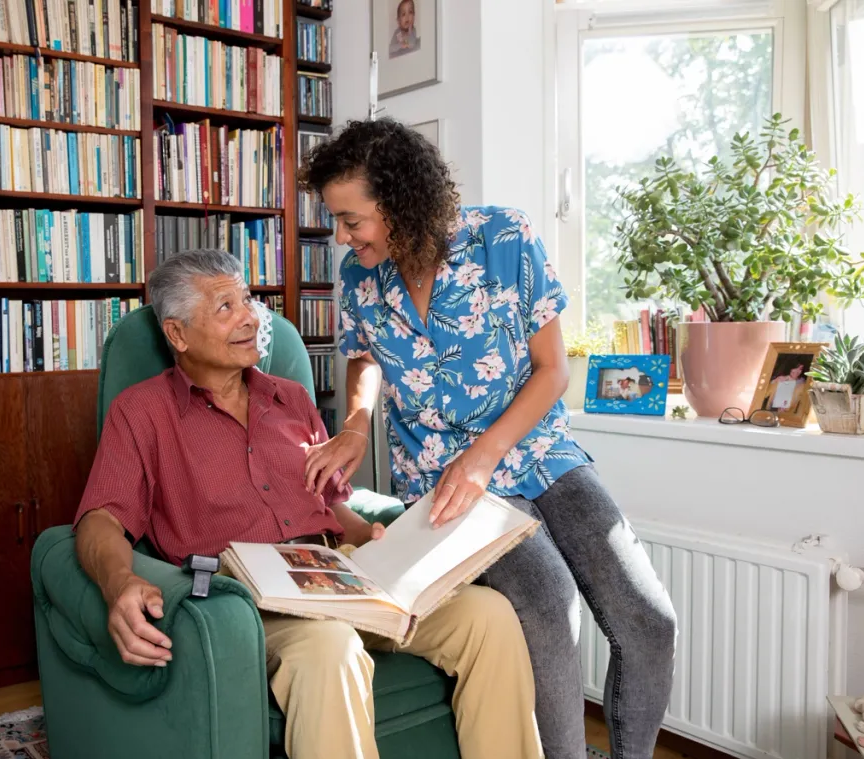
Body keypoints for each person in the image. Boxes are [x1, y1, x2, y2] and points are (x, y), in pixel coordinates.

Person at [300, 119, 678, 759]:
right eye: (337, 220)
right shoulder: (360, 277)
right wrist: (356, 425)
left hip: (537, 453)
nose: (342, 235)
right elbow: (362, 358)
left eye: (352, 219)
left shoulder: (502, 237)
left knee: (649, 620)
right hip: (443, 484)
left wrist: (485, 455)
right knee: (548, 607)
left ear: (399, 203)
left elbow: (553, 369)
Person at [72, 249, 544, 759]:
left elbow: (332, 503)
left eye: (248, 299)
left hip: (340, 570)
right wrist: (119, 582)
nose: (251, 317)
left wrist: (380, 538)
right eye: (225, 307)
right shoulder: (141, 413)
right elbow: (101, 517)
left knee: (489, 615)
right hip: (250, 593)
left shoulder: (292, 398)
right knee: (329, 647)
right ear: (178, 334)